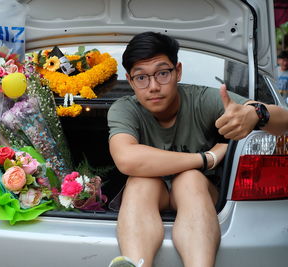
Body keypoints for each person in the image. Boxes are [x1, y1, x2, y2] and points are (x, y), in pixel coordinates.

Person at [107, 32, 288, 267]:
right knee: (140, 182)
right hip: (151, 196)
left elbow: (283, 120)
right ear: (130, 81)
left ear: (178, 71)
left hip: (200, 195)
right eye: (141, 77)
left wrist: (255, 114)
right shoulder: (124, 108)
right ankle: (135, 264)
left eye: (162, 73)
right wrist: (207, 159)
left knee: (190, 180)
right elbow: (127, 158)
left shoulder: (202, 98)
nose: (153, 86)